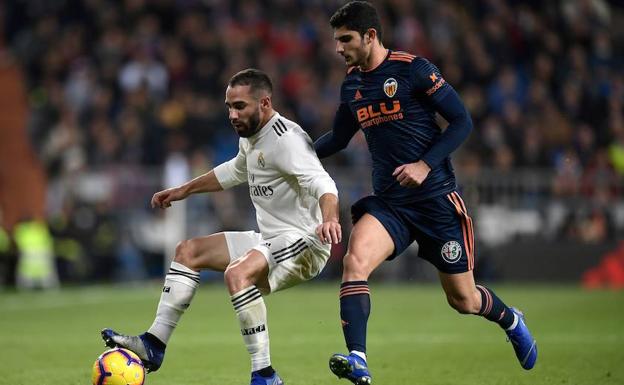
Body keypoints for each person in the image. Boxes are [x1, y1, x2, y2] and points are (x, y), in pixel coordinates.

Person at [314, 2, 537, 384]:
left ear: (370, 36)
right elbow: (338, 138)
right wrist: (291, 154)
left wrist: (425, 165)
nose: (338, 48)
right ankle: (359, 360)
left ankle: (511, 319)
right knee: (354, 262)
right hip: (390, 205)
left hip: (436, 202)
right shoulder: (352, 83)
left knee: (463, 300)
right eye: (336, 40)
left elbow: (462, 121)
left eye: (345, 39)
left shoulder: (413, 68)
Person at [101, 68, 342, 385]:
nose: (232, 114)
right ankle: (153, 344)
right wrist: (184, 189)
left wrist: (330, 219)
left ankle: (264, 374)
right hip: (271, 239)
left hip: (305, 243)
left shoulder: (287, 140)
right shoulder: (253, 138)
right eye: (229, 106)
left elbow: (324, 184)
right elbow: (234, 171)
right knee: (188, 252)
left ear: (265, 103)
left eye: (240, 106)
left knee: (237, 273)